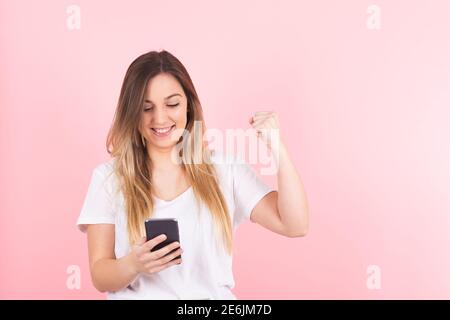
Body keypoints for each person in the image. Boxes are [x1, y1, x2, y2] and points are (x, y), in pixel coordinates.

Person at [77, 50, 309, 299]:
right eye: (146, 108)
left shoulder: (225, 170)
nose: (160, 118)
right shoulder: (108, 178)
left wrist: (277, 146)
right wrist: (133, 264)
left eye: (172, 104)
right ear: (131, 113)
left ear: (189, 104)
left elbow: (294, 224)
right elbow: (100, 275)